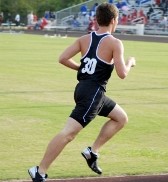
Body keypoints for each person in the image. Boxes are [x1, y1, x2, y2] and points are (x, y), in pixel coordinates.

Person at [28, 2, 136, 182]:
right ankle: (39, 170)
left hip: (85, 90)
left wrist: (82, 68)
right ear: (114, 20)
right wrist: (130, 62)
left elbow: (62, 58)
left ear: (97, 20)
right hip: (93, 94)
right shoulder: (115, 43)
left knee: (121, 118)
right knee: (68, 133)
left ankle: (92, 152)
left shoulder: (84, 39)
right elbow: (122, 73)